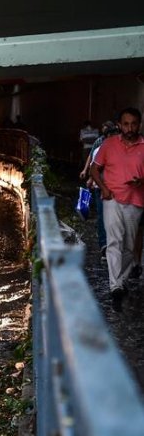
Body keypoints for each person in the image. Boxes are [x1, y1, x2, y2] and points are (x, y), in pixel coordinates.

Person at [90, 107, 144, 311]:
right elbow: (95, 168)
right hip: (111, 198)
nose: (130, 128)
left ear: (139, 124)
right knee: (114, 242)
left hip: (136, 201)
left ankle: (120, 281)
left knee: (129, 247)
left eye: (134, 124)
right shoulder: (108, 144)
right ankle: (115, 286)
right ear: (119, 125)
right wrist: (103, 188)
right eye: (126, 124)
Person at [79, 121, 119, 259]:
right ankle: (104, 246)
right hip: (100, 189)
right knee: (103, 217)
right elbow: (93, 168)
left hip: (116, 189)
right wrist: (90, 178)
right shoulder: (98, 149)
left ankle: (113, 245)